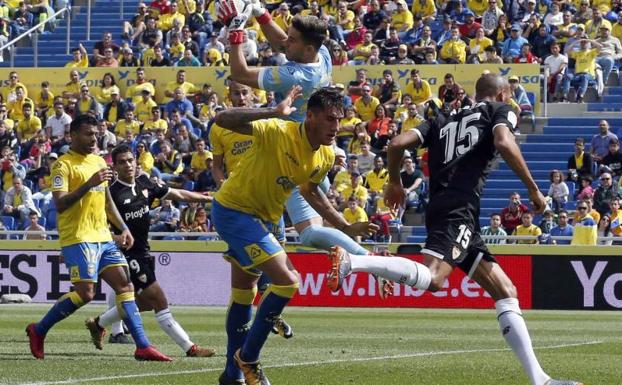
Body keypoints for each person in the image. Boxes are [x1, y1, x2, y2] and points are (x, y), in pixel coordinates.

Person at [328, 73, 582, 385]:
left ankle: (540, 379)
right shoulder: (500, 111)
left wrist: (394, 182)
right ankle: (354, 262)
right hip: (458, 207)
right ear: (503, 93)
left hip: (450, 208)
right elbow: (503, 141)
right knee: (435, 278)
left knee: (505, 291)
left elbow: (395, 144)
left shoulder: (441, 118)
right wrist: (532, 190)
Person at [211, 87, 374, 385]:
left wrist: (345, 226)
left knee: (244, 291)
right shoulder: (277, 129)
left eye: (340, 120)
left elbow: (311, 192)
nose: (336, 127)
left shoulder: (324, 155)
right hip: (234, 211)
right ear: (310, 117)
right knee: (288, 281)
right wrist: (273, 110)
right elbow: (222, 119)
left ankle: (231, 375)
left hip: (266, 220)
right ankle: (247, 359)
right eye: (330, 120)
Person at [25, 114, 170, 362]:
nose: (95, 138)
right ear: (73, 135)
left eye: (96, 134)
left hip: (103, 236)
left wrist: (123, 227)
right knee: (86, 294)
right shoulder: (63, 165)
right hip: (78, 237)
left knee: (125, 286)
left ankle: (142, 346)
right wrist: (88, 183)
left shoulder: (99, 162)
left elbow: (107, 201)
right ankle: (38, 330)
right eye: (88, 134)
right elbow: (60, 204)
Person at [85, 144, 215, 357]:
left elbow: (177, 193)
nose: (128, 165)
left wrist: (205, 197)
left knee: (141, 302)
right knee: (159, 300)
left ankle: (99, 323)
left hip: (143, 251)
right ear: (115, 167)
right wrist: (116, 237)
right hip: (128, 255)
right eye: (122, 162)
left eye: (130, 160)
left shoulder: (146, 182)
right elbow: (92, 225)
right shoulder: (111, 193)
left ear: (137, 161)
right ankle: (190, 348)